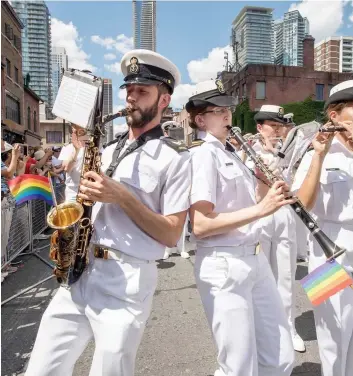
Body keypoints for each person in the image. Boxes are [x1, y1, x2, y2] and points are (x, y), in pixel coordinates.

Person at [25, 49, 191, 376]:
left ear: (163, 100)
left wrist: (122, 196)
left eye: (142, 91)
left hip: (126, 282)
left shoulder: (176, 158)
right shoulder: (108, 149)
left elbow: (172, 232)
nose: (131, 97)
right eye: (129, 90)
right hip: (80, 271)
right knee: (41, 370)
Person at [187, 80, 295, 376]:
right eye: (219, 111)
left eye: (228, 110)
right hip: (224, 261)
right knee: (238, 364)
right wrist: (262, 208)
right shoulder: (203, 155)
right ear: (201, 120)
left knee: (280, 352)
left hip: (254, 256)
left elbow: (250, 202)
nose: (228, 116)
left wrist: (264, 182)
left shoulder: (231, 152)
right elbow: (201, 224)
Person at [293, 80, 353, 376]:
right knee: (332, 338)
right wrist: (318, 155)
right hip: (325, 256)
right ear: (335, 116)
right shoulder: (316, 153)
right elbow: (301, 203)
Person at [252, 105, 305, 353]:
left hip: (285, 214)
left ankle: (289, 328)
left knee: (285, 275)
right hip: (260, 215)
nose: (277, 131)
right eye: (272, 126)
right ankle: (262, 328)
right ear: (259, 127)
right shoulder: (246, 152)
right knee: (262, 277)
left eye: (280, 126)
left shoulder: (292, 152)